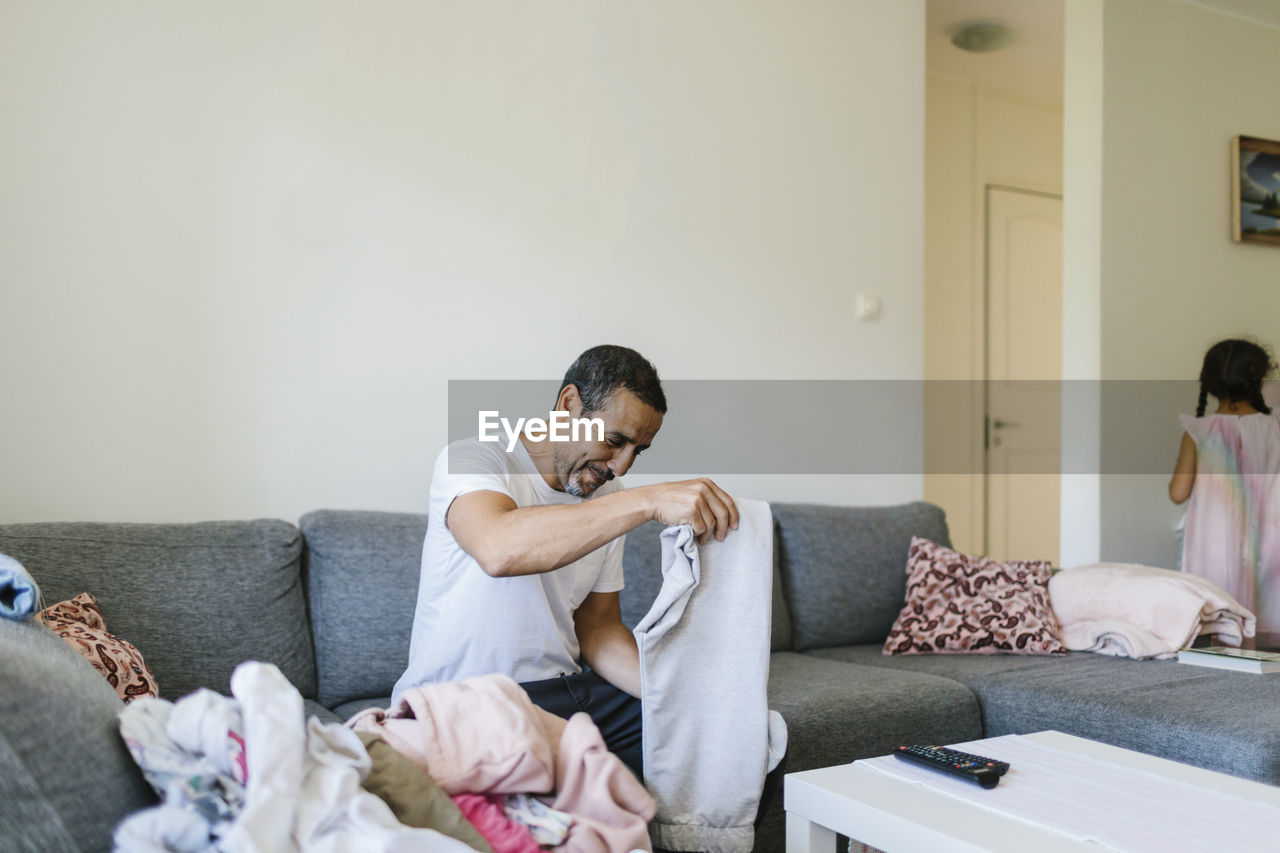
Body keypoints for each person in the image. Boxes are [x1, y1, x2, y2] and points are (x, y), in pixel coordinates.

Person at [393, 345, 739, 781]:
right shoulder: (475, 458)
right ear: (569, 404)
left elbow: (598, 629)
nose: (622, 467)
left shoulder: (608, 500)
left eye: (639, 450)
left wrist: (671, 693)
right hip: (465, 700)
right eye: (615, 441)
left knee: (724, 736)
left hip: (567, 695)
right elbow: (498, 548)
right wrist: (647, 501)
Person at [1169, 338, 1280, 635]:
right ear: (1259, 380)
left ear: (1208, 383)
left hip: (1214, 544)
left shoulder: (1199, 432)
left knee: (1218, 620)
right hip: (1271, 539)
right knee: (1270, 614)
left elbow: (1178, 493)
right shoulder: (1276, 427)